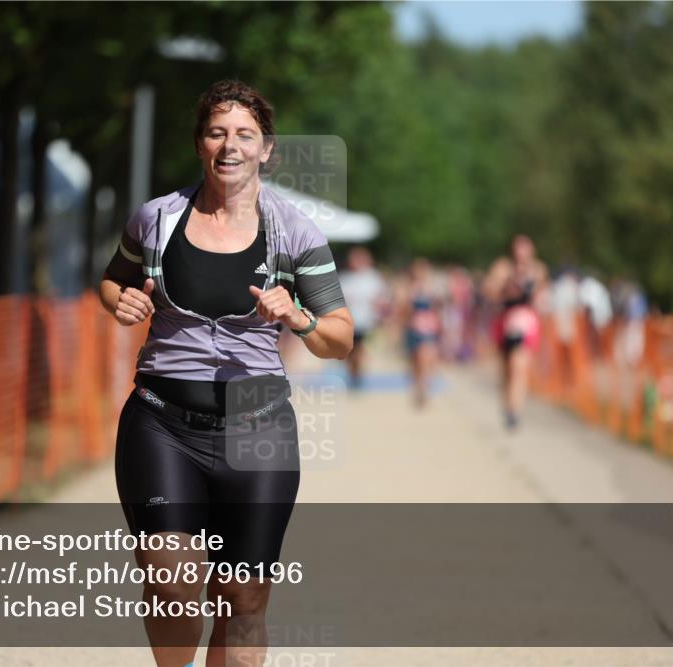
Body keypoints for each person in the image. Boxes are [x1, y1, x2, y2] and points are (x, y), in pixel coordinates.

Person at [99, 79, 354, 667]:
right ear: (199, 143)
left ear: (267, 149)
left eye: (245, 134)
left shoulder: (295, 234)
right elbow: (113, 279)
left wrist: (300, 316)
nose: (230, 145)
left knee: (242, 598)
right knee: (173, 587)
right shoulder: (156, 220)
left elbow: (340, 339)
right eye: (217, 132)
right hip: (162, 425)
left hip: (257, 427)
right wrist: (119, 301)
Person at [482, 234, 549, 430]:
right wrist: (506, 283)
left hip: (526, 322)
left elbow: (543, 295)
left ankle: (515, 410)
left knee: (519, 366)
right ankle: (507, 404)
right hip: (505, 320)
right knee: (506, 370)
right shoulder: (502, 267)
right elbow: (490, 291)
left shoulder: (538, 269)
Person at [337, 246, 388, 390]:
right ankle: (353, 373)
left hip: (365, 321)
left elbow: (382, 298)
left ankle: (357, 375)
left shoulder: (373, 278)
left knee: (359, 348)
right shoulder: (344, 277)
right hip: (347, 321)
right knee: (348, 351)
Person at [398, 258, 442, 407]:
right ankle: (418, 384)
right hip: (413, 328)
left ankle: (423, 386)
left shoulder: (432, 287)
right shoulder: (407, 287)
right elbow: (402, 309)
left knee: (426, 357)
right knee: (415, 360)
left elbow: (439, 307)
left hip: (429, 328)